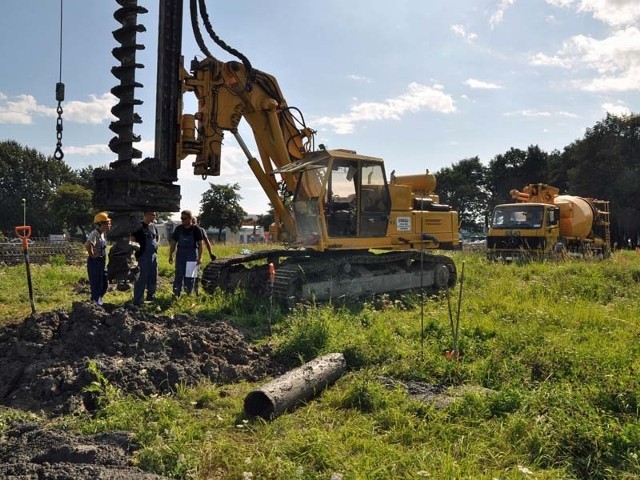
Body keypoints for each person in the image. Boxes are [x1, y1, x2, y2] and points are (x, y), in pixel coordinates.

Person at [168, 210, 203, 297]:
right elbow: (173, 243)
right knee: (178, 276)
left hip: (192, 254)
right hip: (180, 254)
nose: (183, 220)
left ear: (190, 219)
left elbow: (200, 244)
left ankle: (189, 296)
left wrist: (200, 257)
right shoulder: (178, 229)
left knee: (190, 277)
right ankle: (176, 295)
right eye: (181, 218)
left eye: (184, 218)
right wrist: (170, 255)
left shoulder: (196, 229)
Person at [130, 211, 159, 306]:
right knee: (141, 278)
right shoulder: (139, 227)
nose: (154, 216)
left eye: (155, 215)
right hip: (143, 256)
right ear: (146, 215)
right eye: (152, 214)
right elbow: (132, 239)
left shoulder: (154, 227)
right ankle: (138, 301)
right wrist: (135, 250)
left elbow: (156, 238)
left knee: (152, 277)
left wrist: (156, 245)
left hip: (153, 256)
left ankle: (150, 298)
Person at [85, 211, 111, 305]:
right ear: (101, 224)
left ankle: (97, 301)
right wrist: (92, 255)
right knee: (97, 284)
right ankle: (96, 303)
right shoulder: (95, 234)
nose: (109, 224)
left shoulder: (103, 234)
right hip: (95, 262)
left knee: (104, 284)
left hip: (101, 262)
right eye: (107, 223)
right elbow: (88, 245)